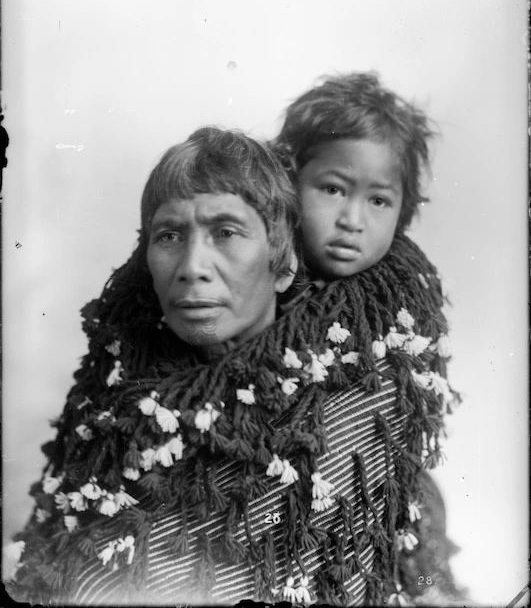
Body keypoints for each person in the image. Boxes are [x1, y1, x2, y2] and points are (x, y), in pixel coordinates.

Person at [7, 126, 454, 607]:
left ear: (283, 266)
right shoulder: (110, 417)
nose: (192, 265)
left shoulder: (352, 421)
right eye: (170, 235)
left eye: (226, 232)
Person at [270, 71, 466, 604]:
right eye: (332, 189)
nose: (352, 219)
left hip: (378, 493)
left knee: (420, 536)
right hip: (281, 492)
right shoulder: (263, 281)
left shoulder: (402, 297)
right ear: (291, 180)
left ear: (404, 210)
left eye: (378, 201)